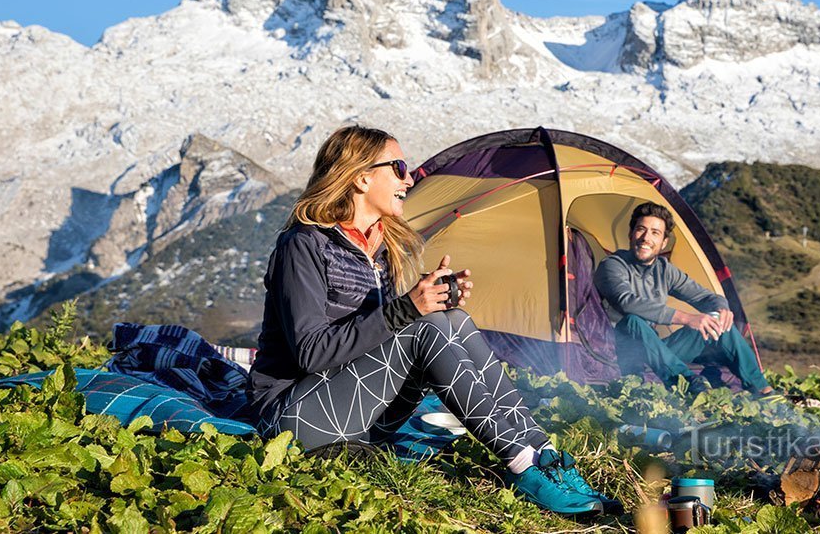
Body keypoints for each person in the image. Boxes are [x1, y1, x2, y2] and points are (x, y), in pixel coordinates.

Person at [247, 125, 618, 515]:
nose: (408, 179)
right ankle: (521, 464)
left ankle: (542, 454)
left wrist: (433, 300)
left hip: (360, 414)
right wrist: (409, 308)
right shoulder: (303, 246)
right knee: (424, 325)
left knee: (451, 319)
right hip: (294, 418)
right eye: (399, 167)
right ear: (361, 177)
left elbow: (385, 337)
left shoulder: (379, 250)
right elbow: (311, 353)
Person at [593, 202, 773, 396]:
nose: (646, 238)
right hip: (621, 349)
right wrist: (686, 318)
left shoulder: (664, 270)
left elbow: (705, 296)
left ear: (663, 242)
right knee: (632, 321)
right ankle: (687, 382)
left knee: (717, 322)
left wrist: (721, 308)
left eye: (655, 233)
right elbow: (626, 301)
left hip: (655, 350)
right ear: (631, 234)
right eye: (641, 230)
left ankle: (762, 389)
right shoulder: (612, 265)